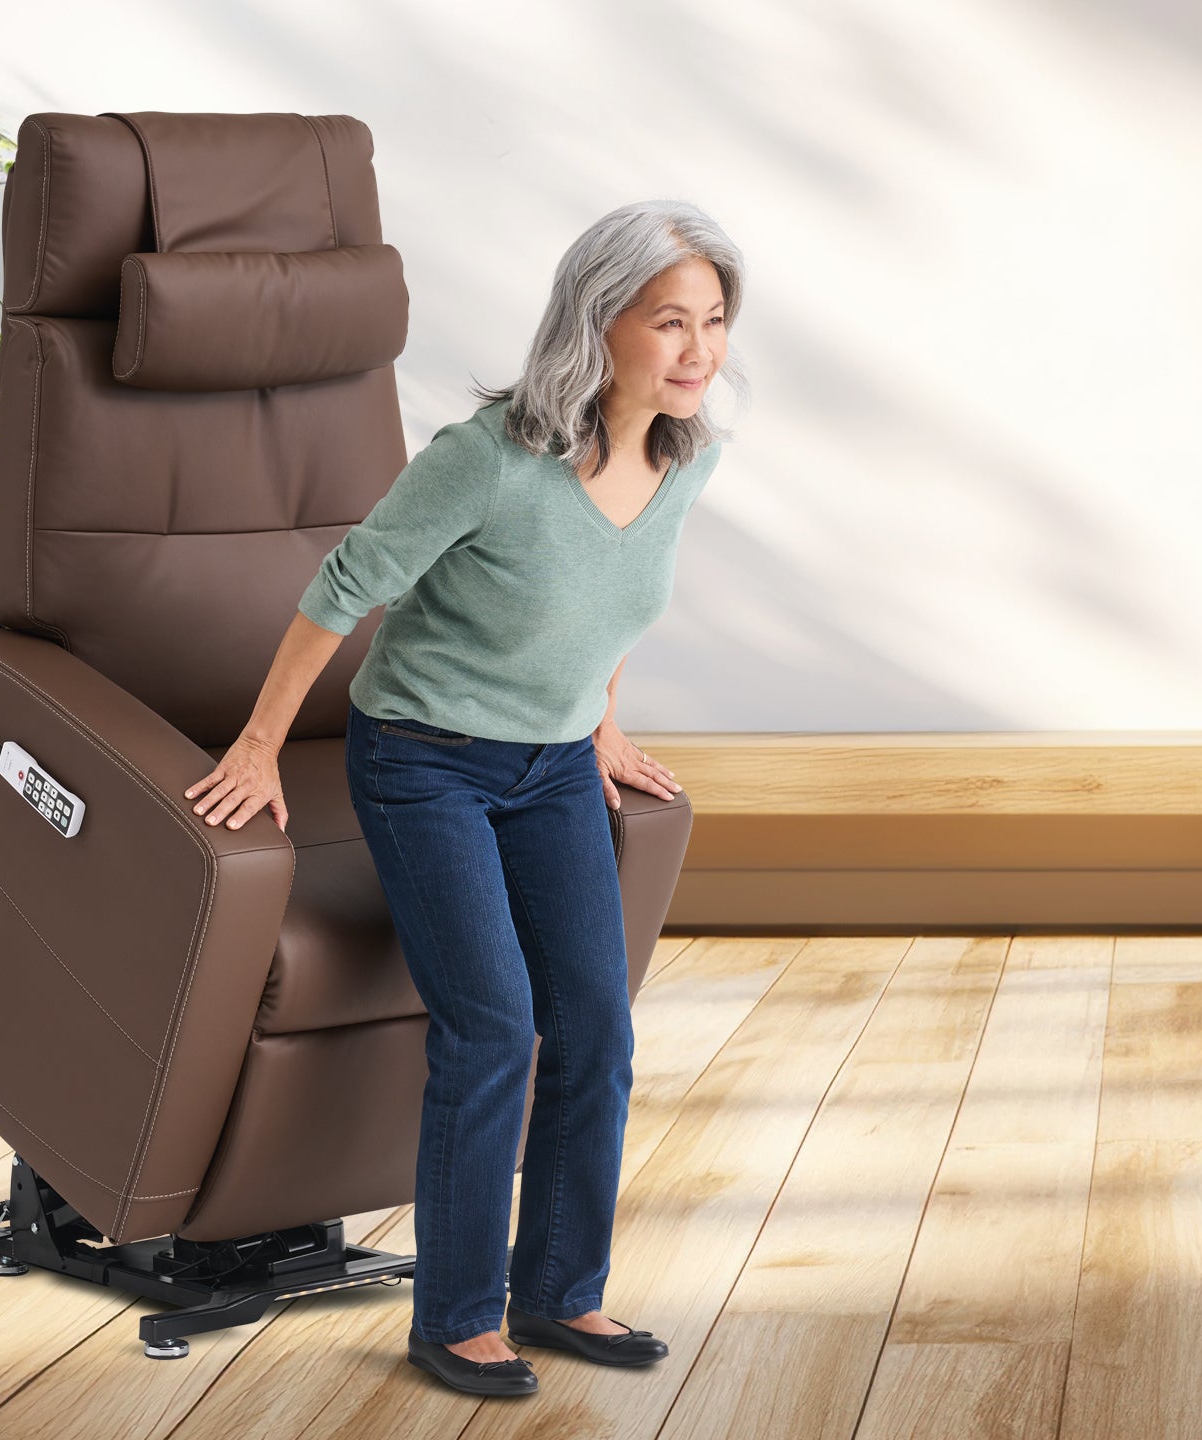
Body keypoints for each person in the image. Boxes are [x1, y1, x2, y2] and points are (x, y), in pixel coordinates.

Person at [180, 198, 744, 1398]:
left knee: (593, 1027)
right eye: (669, 323)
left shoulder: (682, 460)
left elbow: (608, 604)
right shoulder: (487, 459)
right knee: (492, 1025)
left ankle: (559, 1293)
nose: (699, 350)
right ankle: (453, 1319)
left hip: (547, 771)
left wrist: (597, 724)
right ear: (600, 325)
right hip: (423, 760)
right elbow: (344, 586)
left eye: (713, 321)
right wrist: (260, 744)